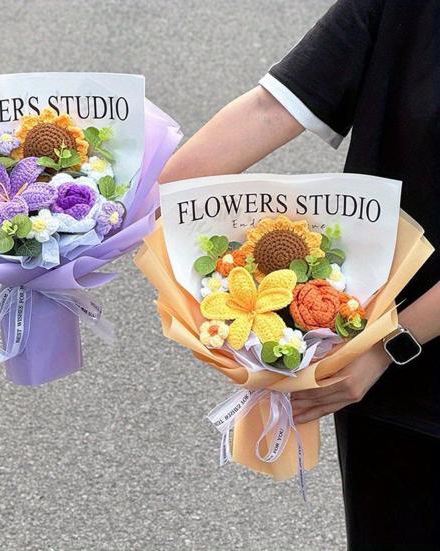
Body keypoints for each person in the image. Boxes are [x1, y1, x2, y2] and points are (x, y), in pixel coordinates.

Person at [159, 1, 440, 548]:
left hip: (385, 355)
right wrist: (115, 218)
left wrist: (387, 349)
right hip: (385, 385)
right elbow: (272, 108)